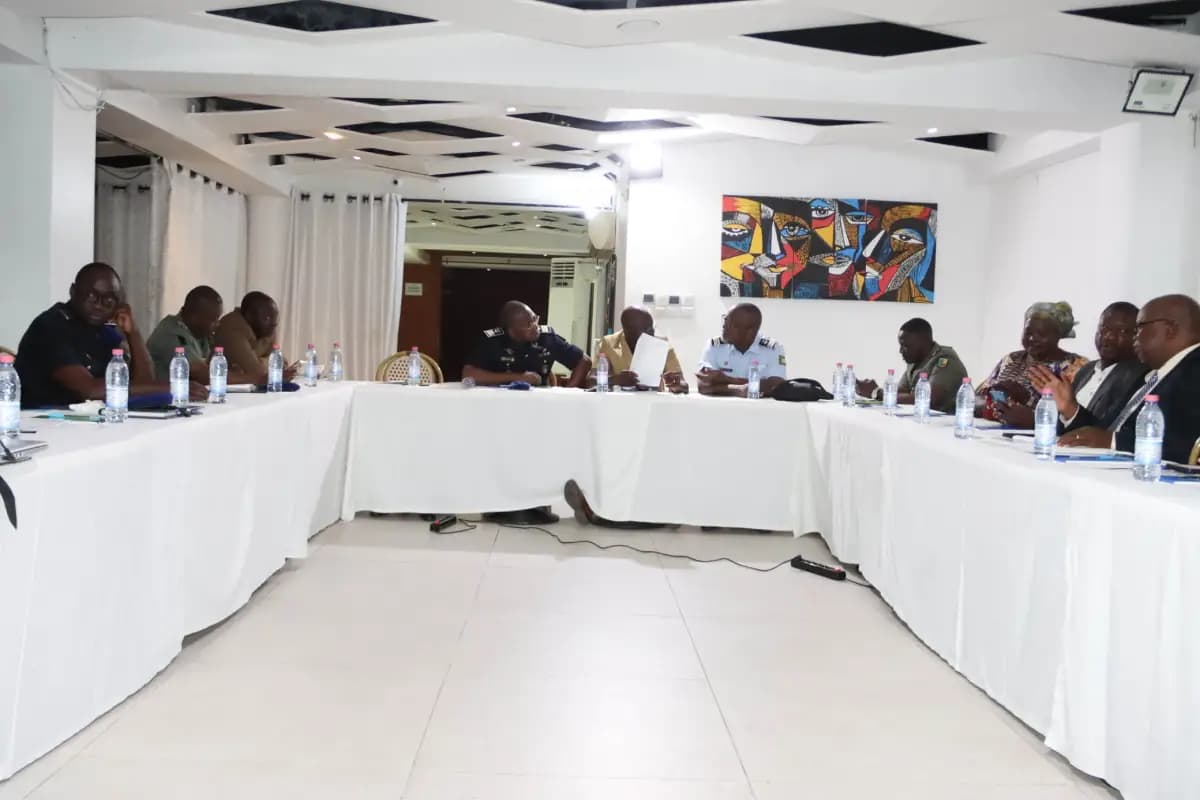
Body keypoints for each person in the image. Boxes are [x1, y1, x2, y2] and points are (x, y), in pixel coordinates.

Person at [14, 262, 203, 408]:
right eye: (91, 296)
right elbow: (89, 390)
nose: (99, 305)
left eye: (109, 300)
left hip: (84, 421)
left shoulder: (105, 331)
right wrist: (173, 387)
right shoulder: (51, 327)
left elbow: (143, 384)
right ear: (73, 291)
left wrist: (133, 333)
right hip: (39, 422)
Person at [1059, 294, 1200, 463]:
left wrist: (1114, 442)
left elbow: (1187, 444)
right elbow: (1106, 430)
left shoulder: (1194, 372)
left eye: (1139, 328)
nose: (1135, 337)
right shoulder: (1153, 376)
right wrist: (1071, 409)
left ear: (1170, 330)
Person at [1029, 302, 1147, 431]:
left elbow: (1108, 432)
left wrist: (1071, 410)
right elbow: (1062, 423)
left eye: (1121, 331)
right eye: (1104, 329)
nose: (1109, 336)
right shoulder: (1086, 370)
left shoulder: (1139, 376)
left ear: (1137, 335)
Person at [976, 301, 1089, 427]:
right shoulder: (1012, 359)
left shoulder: (1077, 366)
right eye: (1028, 333)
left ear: (1058, 335)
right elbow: (979, 396)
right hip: (993, 430)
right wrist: (994, 391)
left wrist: (1027, 399)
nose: (1032, 339)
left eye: (1041, 334)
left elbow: (1076, 418)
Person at [462, 301, 591, 389]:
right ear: (512, 330)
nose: (535, 326)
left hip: (539, 403)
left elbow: (584, 361)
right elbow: (468, 374)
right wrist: (519, 378)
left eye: (535, 319)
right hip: (498, 400)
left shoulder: (547, 338)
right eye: (529, 324)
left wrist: (568, 392)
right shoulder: (493, 341)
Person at [855, 318, 968, 413]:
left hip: (949, 425)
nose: (900, 351)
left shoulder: (945, 361)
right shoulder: (916, 360)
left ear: (923, 342)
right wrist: (874, 391)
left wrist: (877, 393)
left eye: (905, 346)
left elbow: (927, 399)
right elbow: (901, 391)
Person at [697, 303, 786, 397]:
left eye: (731, 324)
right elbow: (703, 385)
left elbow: (776, 385)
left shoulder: (772, 349)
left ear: (750, 331)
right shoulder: (714, 346)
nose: (724, 326)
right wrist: (738, 389)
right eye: (725, 320)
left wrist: (726, 380)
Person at [594, 306, 687, 393]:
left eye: (652, 328)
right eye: (647, 329)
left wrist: (676, 384)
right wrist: (615, 380)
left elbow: (684, 385)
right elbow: (590, 380)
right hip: (618, 402)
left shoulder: (662, 346)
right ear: (628, 331)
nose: (652, 332)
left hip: (652, 402)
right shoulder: (609, 343)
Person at [213, 291, 295, 384]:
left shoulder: (266, 328)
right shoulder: (231, 327)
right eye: (267, 318)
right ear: (250, 316)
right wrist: (270, 361)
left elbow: (282, 364)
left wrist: (262, 362)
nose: (274, 323)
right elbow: (258, 373)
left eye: (275, 317)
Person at [146, 286, 223, 380]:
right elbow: (201, 374)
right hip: (165, 389)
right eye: (214, 320)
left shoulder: (199, 333)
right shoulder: (171, 334)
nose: (218, 324)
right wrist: (240, 377)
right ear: (195, 318)